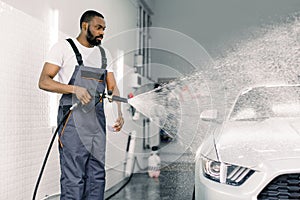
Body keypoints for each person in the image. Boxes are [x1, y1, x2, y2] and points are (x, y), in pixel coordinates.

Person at [38, 10, 124, 200]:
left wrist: (118, 113)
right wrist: (74, 89)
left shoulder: (104, 53)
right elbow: (44, 81)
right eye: (98, 28)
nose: (102, 32)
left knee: (97, 175)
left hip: (97, 122)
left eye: (104, 29)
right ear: (85, 26)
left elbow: (112, 88)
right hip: (72, 121)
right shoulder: (63, 48)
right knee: (74, 176)